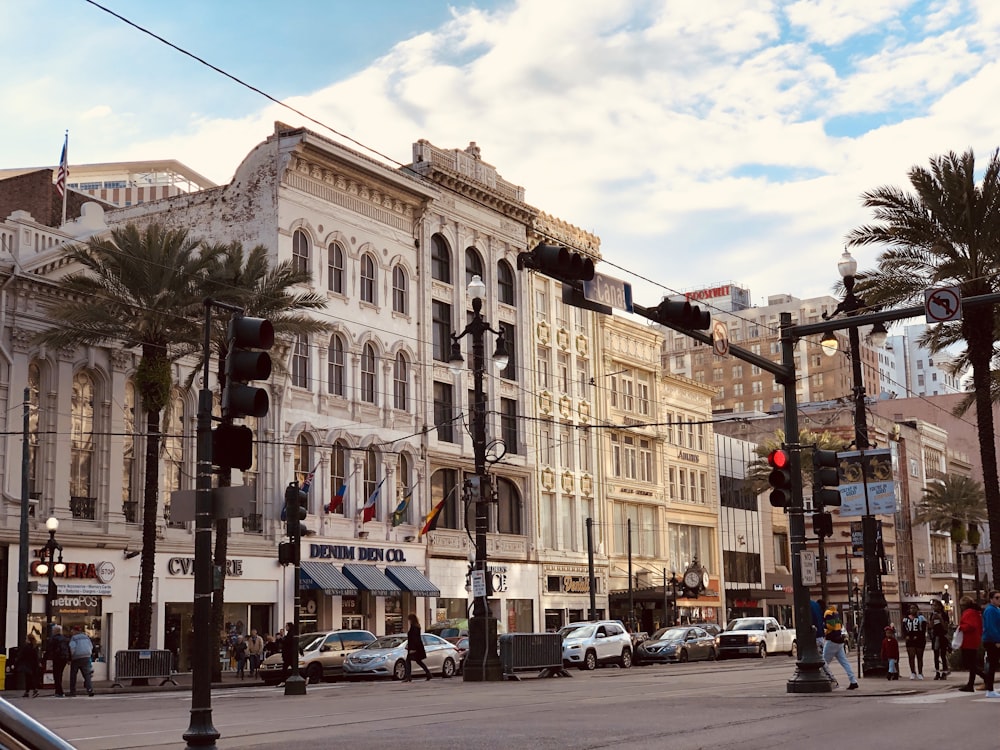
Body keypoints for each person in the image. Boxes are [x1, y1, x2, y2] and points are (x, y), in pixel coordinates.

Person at [823, 603, 858, 690]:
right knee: (845, 662)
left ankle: (831, 681)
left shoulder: (828, 613)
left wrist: (823, 625)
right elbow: (840, 625)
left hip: (832, 640)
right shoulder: (836, 613)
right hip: (839, 641)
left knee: (823, 663)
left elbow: (830, 626)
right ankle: (853, 681)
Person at [956, 595, 984, 692]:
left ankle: (986, 677)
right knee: (971, 664)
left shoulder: (968, 613)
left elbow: (970, 626)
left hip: (969, 641)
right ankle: (970, 684)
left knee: (969, 663)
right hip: (974, 640)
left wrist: (961, 627)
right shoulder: (976, 612)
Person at [901, 604, 928, 680]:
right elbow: (904, 629)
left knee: (919, 656)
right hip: (910, 639)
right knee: (911, 656)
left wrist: (918, 636)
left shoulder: (921, 618)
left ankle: (920, 672)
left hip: (919, 640)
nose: (912, 610)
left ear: (917, 609)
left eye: (914, 608)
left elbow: (923, 629)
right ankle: (913, 672)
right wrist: (906, 636)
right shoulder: (905, 619)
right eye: (911, 608)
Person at [403, 613, 431, 682]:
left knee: (408, 661)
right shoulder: (416, 626)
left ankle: (408, 677)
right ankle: (428, 674)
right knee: (418, 661)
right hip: (416, 647)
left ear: (411, 620)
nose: (408, 621)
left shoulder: (414, 627)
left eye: (409, 619)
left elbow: (415, 639)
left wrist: (413, 649)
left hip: (415, 648)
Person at [45, 625, 72, 697]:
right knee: (60, 674)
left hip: (57, 658)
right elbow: (69, 649)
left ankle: (59, 691)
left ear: (55, 631)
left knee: (56, 675)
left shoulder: (53, 639)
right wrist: (69, 659)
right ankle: (58, 691)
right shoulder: (65, 639)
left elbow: (49, 649)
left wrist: (45, 658)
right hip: (64, 658)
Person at [68, 625, 95, 697]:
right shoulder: (86, 637)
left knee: (73, 675)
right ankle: (90, 690)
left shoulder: (74, 638)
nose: (71, 632)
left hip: (76, 658)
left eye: (72, 630)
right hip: (86, 657)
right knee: (87, 675)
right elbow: (91, 646)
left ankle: (73, 692)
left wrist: (71, 657)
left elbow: (72, 648)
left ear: (75, 631)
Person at [982, 590, 1000, 698]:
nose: (998, 599)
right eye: (997, 597)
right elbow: (991, 627)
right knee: (992, 664)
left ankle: (990, 688)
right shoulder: (990, 610)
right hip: (991, 641)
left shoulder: (996, 609)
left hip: (994, 640)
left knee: (993, 664)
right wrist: (997, 640)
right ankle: (990, 689)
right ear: (991, 599)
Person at [928, 600, 950, 679]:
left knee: (943, 654)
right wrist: (932, 620)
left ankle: (944, 672)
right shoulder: (932, 615)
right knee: (936, 655)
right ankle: (937, 672)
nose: (934, 607)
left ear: (940, 606)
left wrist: (940, 619)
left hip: (942, 636)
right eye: (933, 606)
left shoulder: (944, 615)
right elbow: (930, 626)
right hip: (935, 636)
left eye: (936, 605)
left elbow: (945, 627)